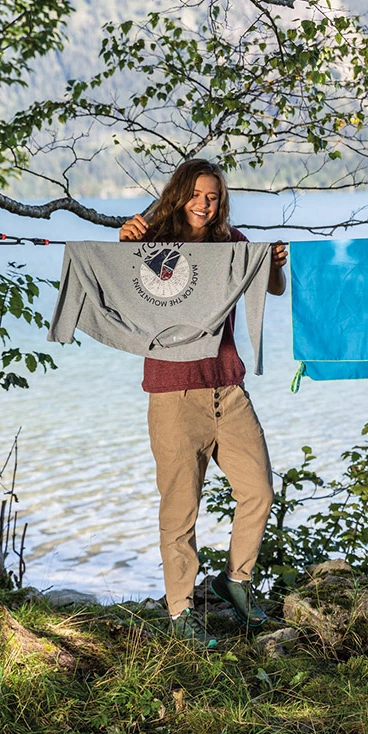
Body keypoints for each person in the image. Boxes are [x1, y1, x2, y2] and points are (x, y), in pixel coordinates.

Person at [120, 158, 287, 648]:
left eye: (212, 196)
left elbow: (272, 289)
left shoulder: (232, 244)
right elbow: (126, 285)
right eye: (195, 194)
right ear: (179, 195)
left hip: (228, 390)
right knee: (180, 509)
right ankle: (180, 611)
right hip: (174, 394)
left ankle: (235, 581)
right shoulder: (154, 243)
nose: (204, 203)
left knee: (258, 490)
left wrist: (275, 266)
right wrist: (127, 243)